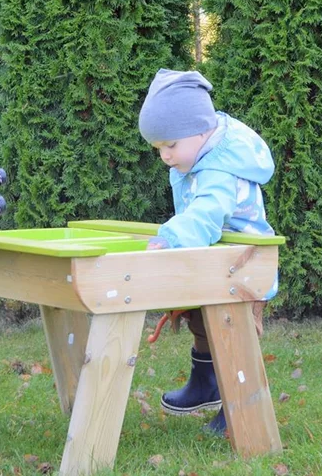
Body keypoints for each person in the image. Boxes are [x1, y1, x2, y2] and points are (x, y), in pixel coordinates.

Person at [138, 68, 278, 435]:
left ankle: (240, 408)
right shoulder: (195, 155)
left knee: (235, 332)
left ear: (201, 132)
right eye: (159, 149)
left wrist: (172, 237)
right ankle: (206, 385)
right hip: (217, 260)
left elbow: (205, 214)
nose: (165, 156)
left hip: (244, 265)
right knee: (202, 322)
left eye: (170, 145)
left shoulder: (219, 170)